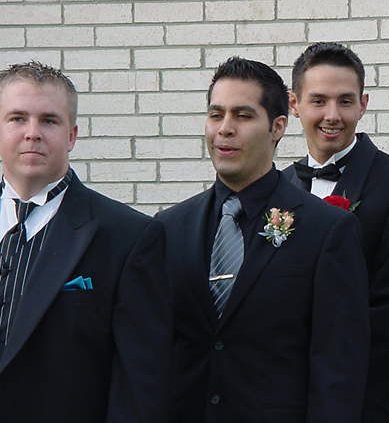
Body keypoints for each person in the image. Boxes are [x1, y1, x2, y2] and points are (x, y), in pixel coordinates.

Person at [0, 61, 171, 423]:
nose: (32, 133)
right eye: (17, 118)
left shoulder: (129, 237)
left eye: (49, 120)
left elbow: (139, 385)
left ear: (71, 135)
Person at [156, 57, 370, 423]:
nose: (225, 129)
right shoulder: (169, 228)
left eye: (242, 115)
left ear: (277, 126)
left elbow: (338, 367)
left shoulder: (327, 231)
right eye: (216, 115)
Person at [283, 42, 389, 422]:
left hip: (366, 398)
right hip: (285, 395)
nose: (332, 115)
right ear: (294, 104)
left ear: (363, 104)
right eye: (318, 100)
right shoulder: (278, 189)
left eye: (345, 101)